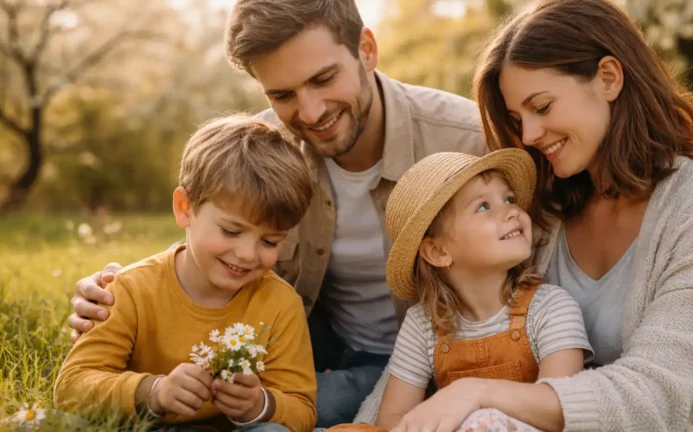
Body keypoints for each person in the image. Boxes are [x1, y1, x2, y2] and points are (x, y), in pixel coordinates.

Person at [65, 0, 486, 427]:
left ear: (366, 49)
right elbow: (210, 233)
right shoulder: (266, 149)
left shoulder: (467, 142)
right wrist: (115, 293)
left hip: (428, 355)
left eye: (324, 79)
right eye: (282, 94)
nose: (310, 112)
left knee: (264, 412)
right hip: (304, 338)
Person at [356, 0, 693, 430]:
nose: (530, 135)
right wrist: (365, 426)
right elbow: (445, 326)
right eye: (518, 118)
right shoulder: (541, 214)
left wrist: (477, 391)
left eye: (543, 107)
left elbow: (658, 394)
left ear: (608, 78)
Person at [55, 116, 317, 432]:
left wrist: (258, 404)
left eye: (270, 240)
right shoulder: (132, 289)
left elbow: (302, 409)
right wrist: (153, 392)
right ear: (184, 208)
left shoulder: (280, 304)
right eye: (231, 231)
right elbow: (72, 386)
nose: (247, 254)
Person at [375, 150, 594, 429]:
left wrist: (477, 402)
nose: (512, 211)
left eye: (509, 199)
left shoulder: (550, 308)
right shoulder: (423, 325)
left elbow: (562, 408)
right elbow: (392, 419)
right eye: (483, 207)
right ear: (438, 251)